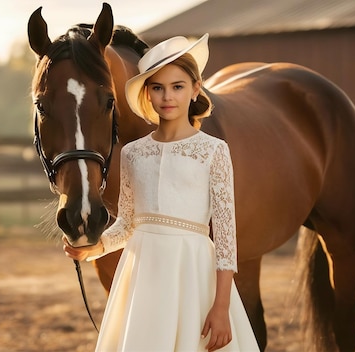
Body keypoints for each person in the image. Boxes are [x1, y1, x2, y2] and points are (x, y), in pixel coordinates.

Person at [63, 33, 260, 352]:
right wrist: (97, 248)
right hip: (142, 276)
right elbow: (128, 224)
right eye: (158, 87)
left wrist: (221, 306)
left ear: (195, 89)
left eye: (178, 86)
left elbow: (225, 238)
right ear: (147, 94)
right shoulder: (133, 154)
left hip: (193, 273)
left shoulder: (213, 151)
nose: (168, 96)